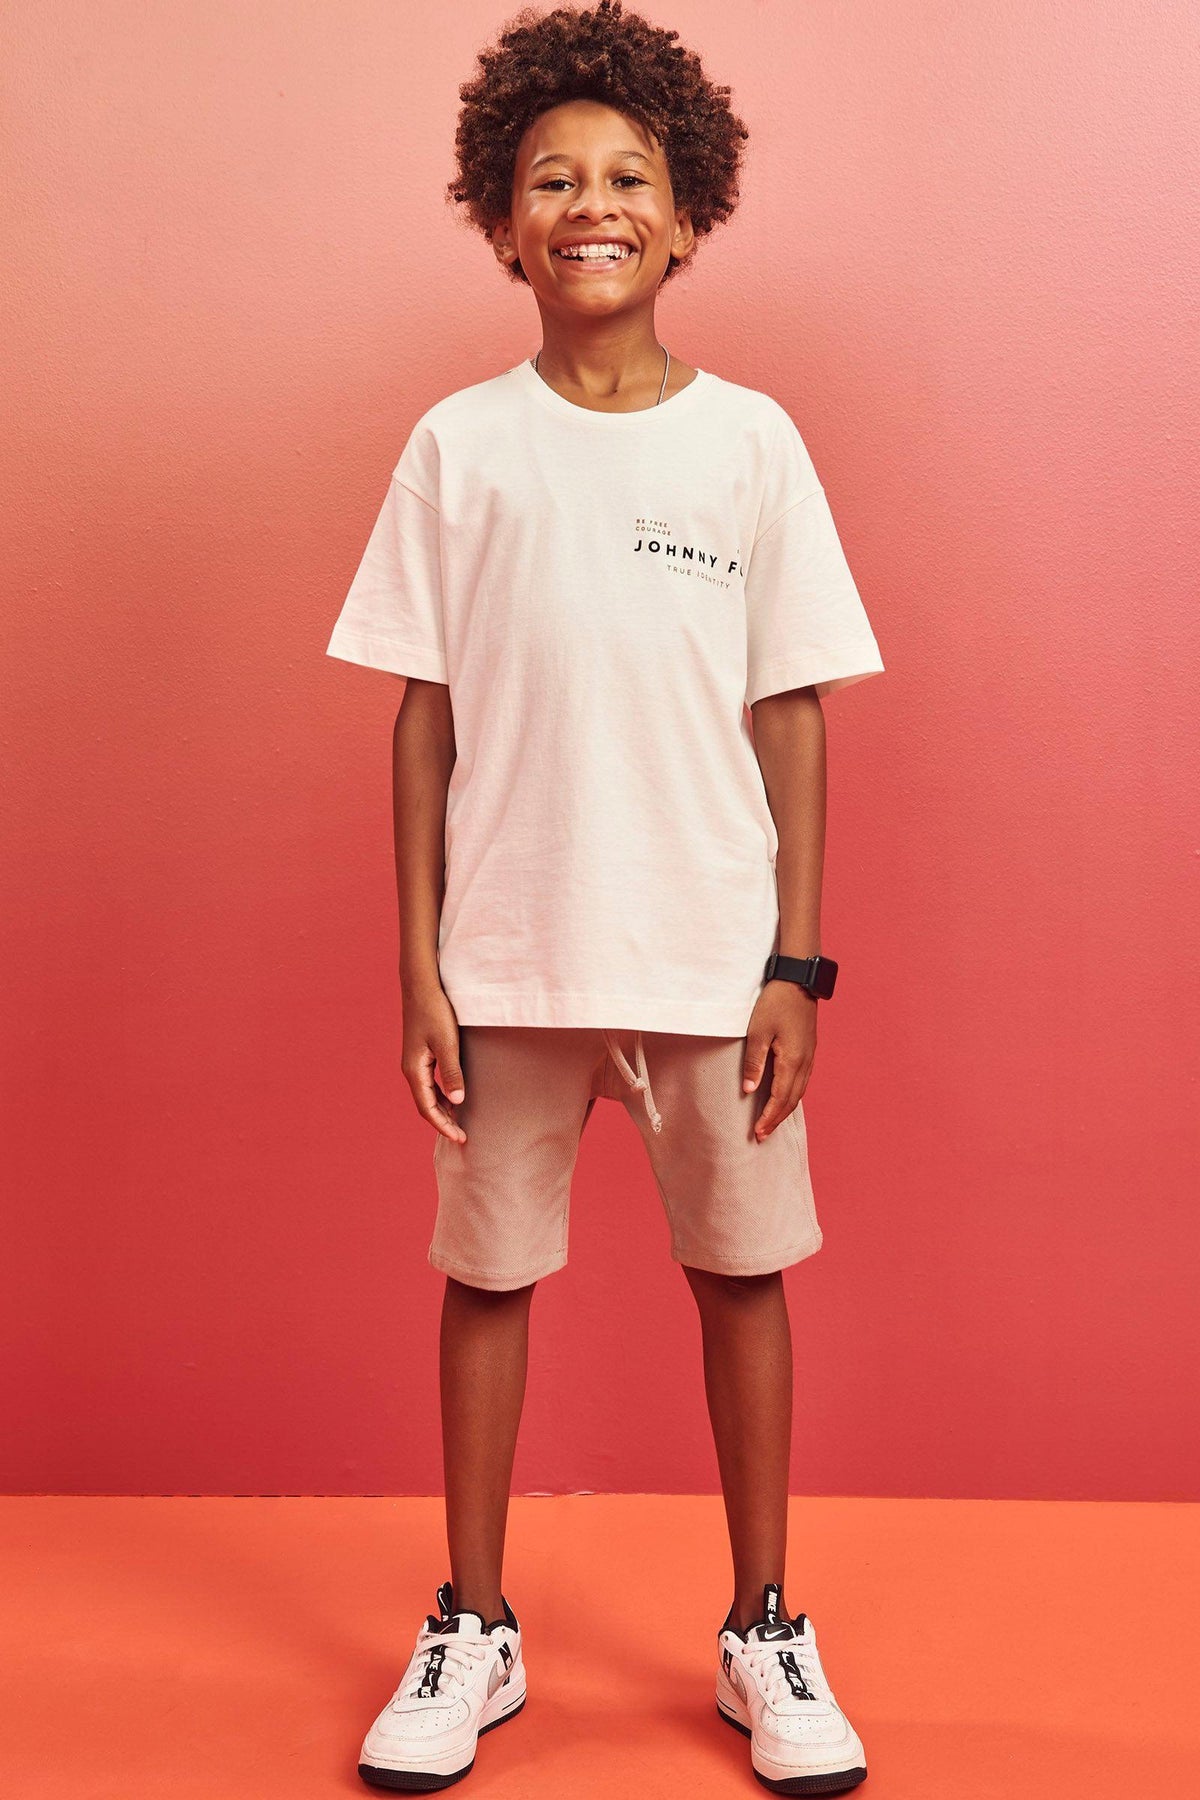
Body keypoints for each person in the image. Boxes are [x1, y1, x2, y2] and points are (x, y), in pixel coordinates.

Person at [327, 3, 884, 1790]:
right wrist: (418, 968)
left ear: (687, 213)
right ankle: (476, 1625)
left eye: (629, 177)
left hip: (714, 955)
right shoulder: (459, 446)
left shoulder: (753, 444)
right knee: (487, 1280)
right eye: (551, 179)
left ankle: (765, 1626)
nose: (591, 205)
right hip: (508, 951)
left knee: (744, 1274)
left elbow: (790, 708)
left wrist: (796, 960)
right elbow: (423, 718)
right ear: (503, 223)